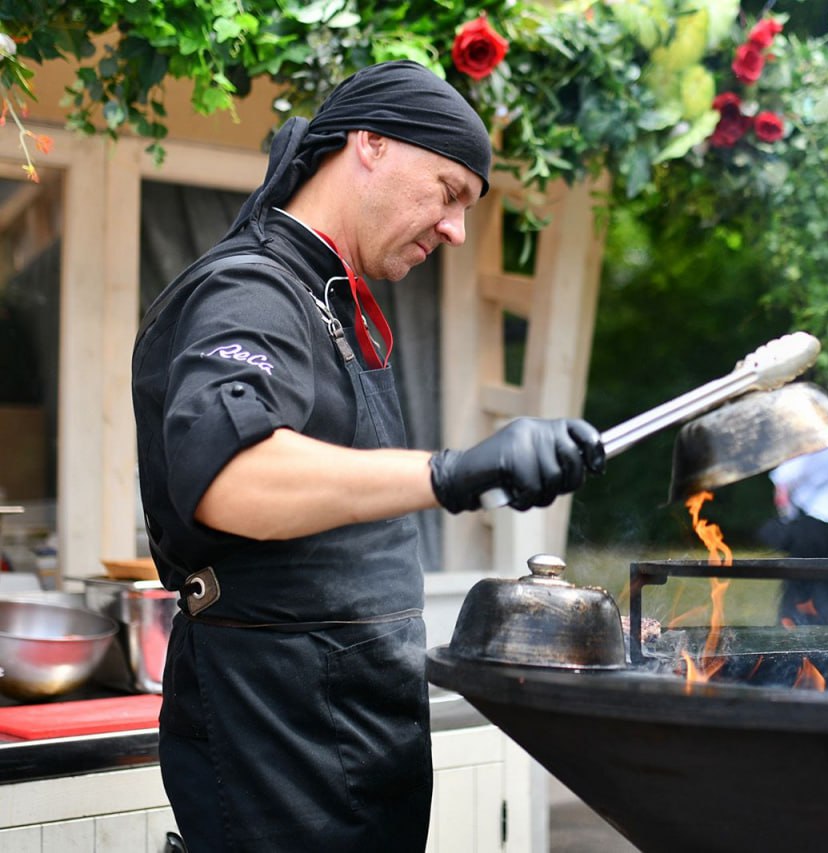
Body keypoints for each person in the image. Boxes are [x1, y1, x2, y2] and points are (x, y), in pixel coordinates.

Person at [131, 60, 604, 852]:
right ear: (371, 145)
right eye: (450, 190)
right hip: (276, 736)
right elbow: (229, 478)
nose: (456, 228)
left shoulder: (335, 302)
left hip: (352, 733)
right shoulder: (252, 289)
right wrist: (453, 472)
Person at [760, 441, 828, 626]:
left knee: (799, 598)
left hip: (813, 526)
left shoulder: (813, 441)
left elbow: (784, 477)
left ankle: (796, 645)